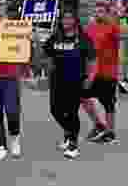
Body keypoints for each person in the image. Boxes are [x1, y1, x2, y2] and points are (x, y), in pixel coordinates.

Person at [42, 9, 96, 159]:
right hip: (57, 80)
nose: (66, 21)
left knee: (72, 113)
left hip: (76, 81)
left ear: (75, 21)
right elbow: (45, 53)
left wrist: (90, 78)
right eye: (63, 18)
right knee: (55, 110)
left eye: (69, 18)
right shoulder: (55, 37)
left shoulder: (83, 39)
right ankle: (69, 132)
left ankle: (73, 144)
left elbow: (92, 60)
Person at [0, 0, 31, 161]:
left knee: (12, 110)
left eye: (0, 4)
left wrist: (26, 69)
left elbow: (23, 50)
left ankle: (15, 138)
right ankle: (0, 145)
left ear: (5, 6)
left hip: (10, 75)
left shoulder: (14, 26)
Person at [81, 0, 128, 144]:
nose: (98, 13)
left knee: (108, 104)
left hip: (108, 72)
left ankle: (110, 133)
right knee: (82, 96)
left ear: (107, 12)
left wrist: (121, 17)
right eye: (97, 10)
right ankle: (99, 125)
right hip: (92, 72)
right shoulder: (90, 27)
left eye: (102, 11)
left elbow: (124, 34)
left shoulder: (113, 26)